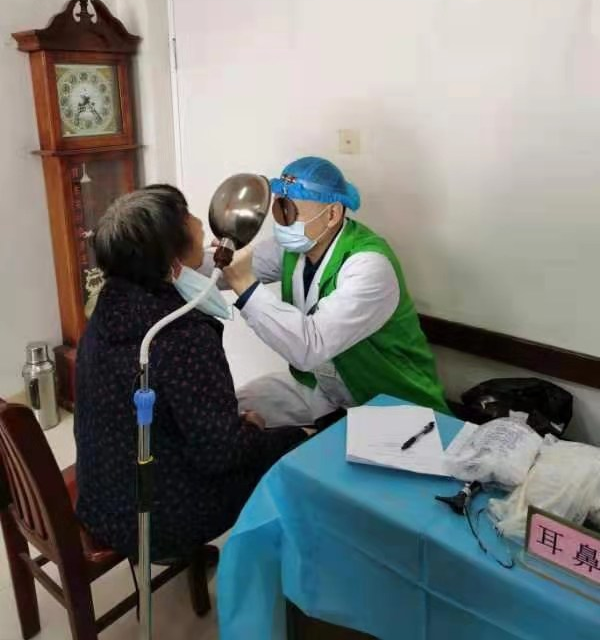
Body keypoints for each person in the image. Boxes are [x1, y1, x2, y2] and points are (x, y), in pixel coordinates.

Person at [74, 185, 307, 561]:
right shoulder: (180, 334)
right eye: (188, 217)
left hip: (102, 501)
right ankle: (272, 572)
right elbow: (221, 453)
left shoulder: (107, 306)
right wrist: (252, 428)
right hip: (156, 521)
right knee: (294, 443)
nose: (200, 223)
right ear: (171, 257)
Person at [219, 157, 449, 427]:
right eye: (278, 209)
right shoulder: (294, 247)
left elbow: (310, 348)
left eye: (289, 212)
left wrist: (245, 286)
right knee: (229, 410)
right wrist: (183, 258)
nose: (281, 223)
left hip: (389, 402)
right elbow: (228, 265)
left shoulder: (369, 265)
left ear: (332, 214)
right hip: (325, 389)